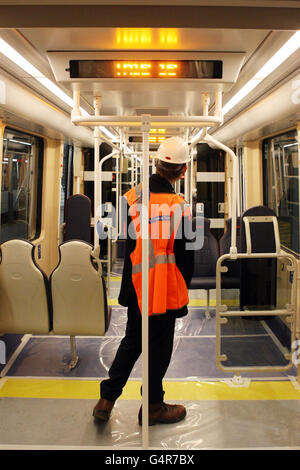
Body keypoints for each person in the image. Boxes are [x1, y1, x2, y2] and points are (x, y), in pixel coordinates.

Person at [93, 136, 194, 426]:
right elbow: (184, 259)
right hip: (164, 290)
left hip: (136, 286)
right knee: (159, 348)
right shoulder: (179, 206)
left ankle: (106, 400)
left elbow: (129, 243)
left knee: (132, 341)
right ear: (183, 171)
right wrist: (181, 287)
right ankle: (152, 407)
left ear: (156, 163)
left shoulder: (130, 198)